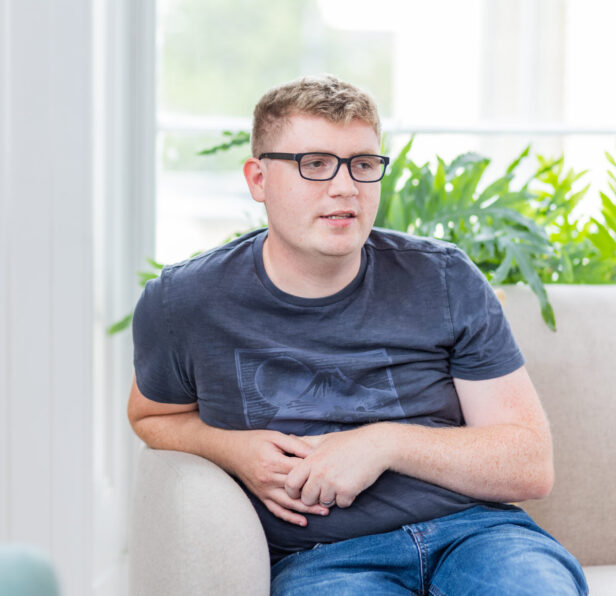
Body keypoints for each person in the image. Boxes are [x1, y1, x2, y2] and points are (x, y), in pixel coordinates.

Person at [128, 74, 588, 595]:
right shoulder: (183, 302)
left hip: (478, 537)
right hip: (326, 560)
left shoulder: (443, 278)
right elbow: (152, 416)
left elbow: (530, 465)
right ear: (258, 179)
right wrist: (233, 450)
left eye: (363, 165)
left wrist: (383, 443)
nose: (345, 187)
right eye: (315, 164)